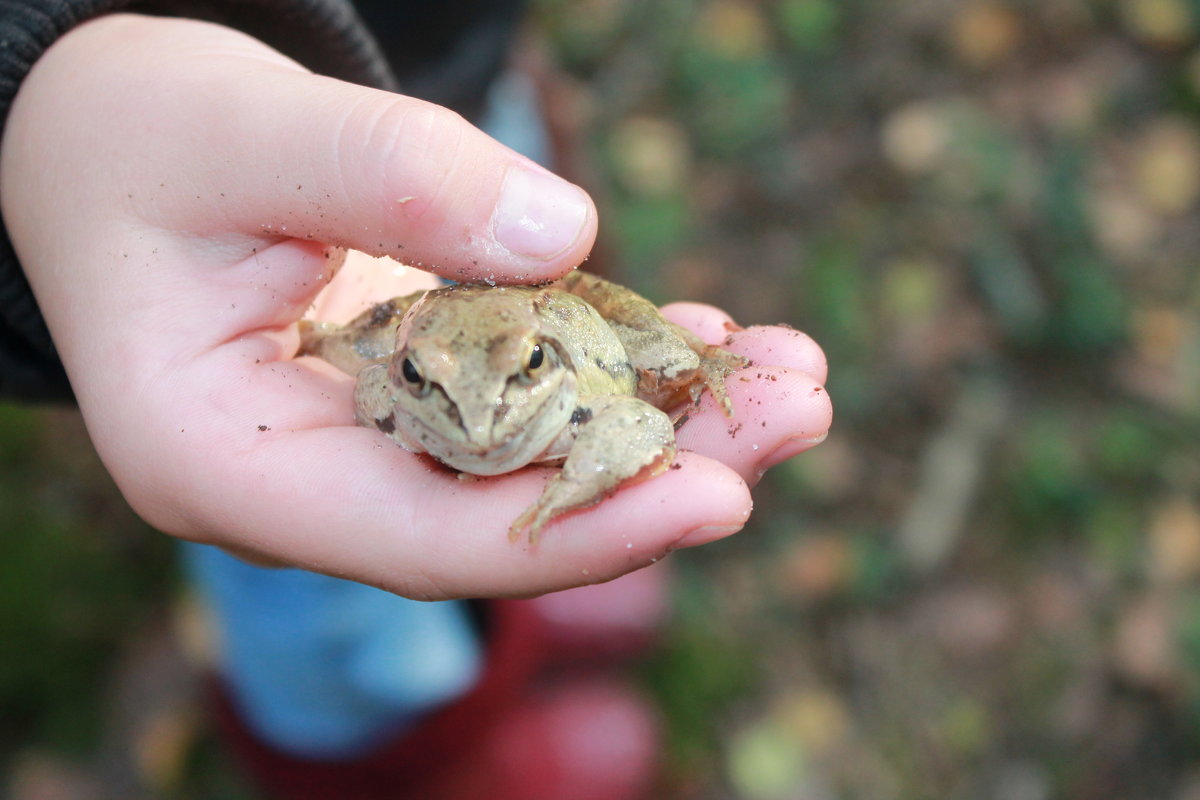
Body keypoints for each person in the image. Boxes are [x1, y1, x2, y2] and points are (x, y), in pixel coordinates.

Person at [0, 1, 833, 797]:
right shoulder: (382, 389)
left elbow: (643, 417)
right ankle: (394, 754)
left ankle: (540, 594)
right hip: (240, 169)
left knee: (620, 326)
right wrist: (49, 98)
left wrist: (572, 488)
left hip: (461, 74)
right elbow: (364, 373)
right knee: (312, 568)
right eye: (417, 385)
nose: (479, 420)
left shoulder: (577, 391)